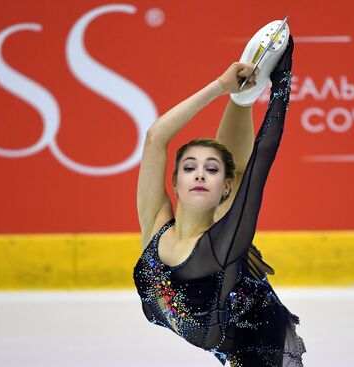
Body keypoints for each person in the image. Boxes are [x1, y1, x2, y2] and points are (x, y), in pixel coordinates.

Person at [133, 24, 305, 366]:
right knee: (233, 169)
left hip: (259, 345)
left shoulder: (220, 245)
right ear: (175, 182)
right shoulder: (156, 226)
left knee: (240, 173)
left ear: (224, 188)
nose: (199, 173)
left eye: (211, 170)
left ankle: (243, 103)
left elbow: (262, 158)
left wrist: (281, 84)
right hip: (223, 323)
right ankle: (240, 99)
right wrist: (220, 87)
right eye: (189, 168)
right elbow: (155, 138)